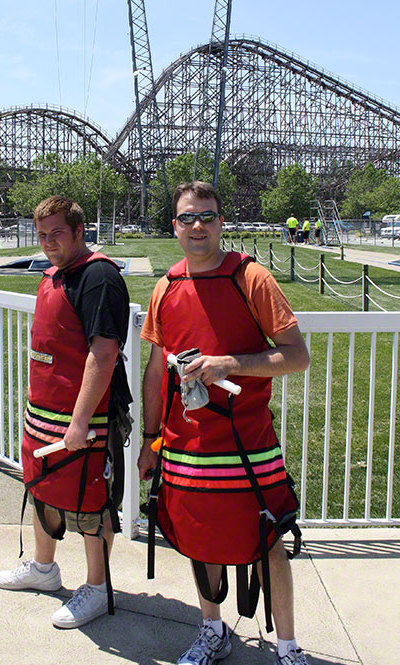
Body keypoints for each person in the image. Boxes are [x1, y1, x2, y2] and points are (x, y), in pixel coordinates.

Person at [138, 181, 310, 665]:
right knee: (200, 539)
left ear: (221, 222)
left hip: (248, 445)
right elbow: (156, 372)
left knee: (269, 542)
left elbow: (297, 356)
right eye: (188, 217)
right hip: (186, 448)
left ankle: (288, 647)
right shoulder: (166, 285)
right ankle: (212, 631)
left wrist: (228, 364)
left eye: (208, 217)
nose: (198, 226)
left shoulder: (251, 279)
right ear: (174, 225)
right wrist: (150, 441)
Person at [0, 195, 131, 629]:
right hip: (43, 415)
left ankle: (95, 586)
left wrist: (78, 421)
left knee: (92, 503)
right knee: (41, 489)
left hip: (83, 421)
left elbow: (104, 353)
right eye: (42, 234)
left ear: (79, 231)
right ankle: (43, 568)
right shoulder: (54, 275)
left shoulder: (99, 277)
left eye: (57, 233)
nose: (49, 242)